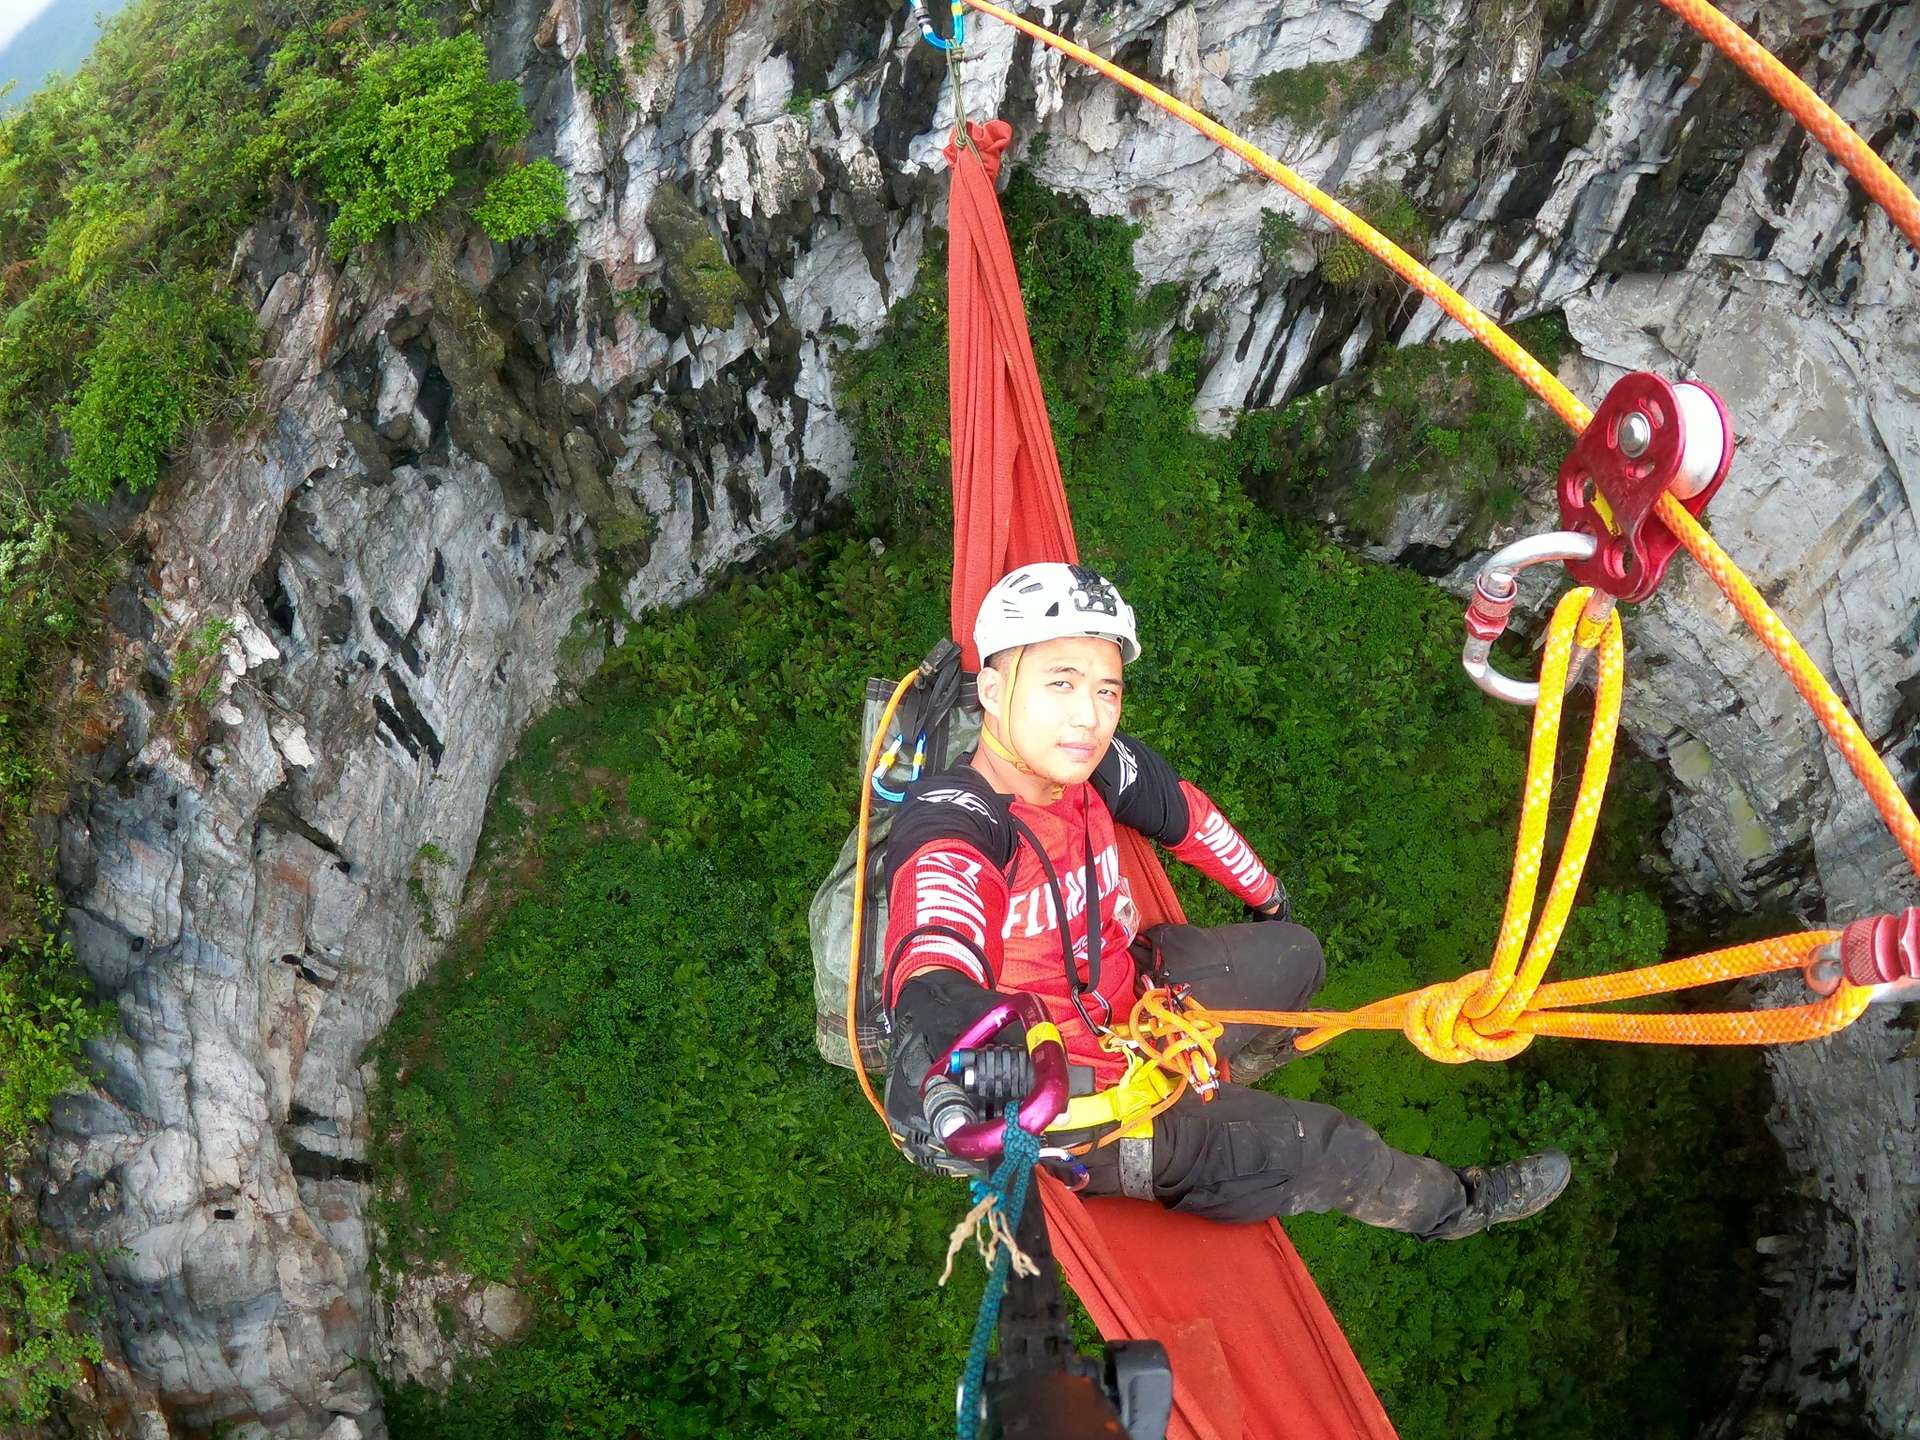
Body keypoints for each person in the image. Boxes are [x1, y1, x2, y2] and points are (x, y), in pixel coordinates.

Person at [880, 562, 1569, 1239]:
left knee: (1299, 955)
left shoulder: (1100, 768)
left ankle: (1232, 1066)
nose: (1088, 717)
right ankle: (1459, 1207)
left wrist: (1269, 897)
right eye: (1060, 683)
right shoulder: (959, 817)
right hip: (1091, 1115)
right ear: (994, 692)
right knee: (1335, 1151)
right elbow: (936, 940)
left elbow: (1192, 819)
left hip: (1138, 1000)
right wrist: (952, 1029)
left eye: (1107, 691)